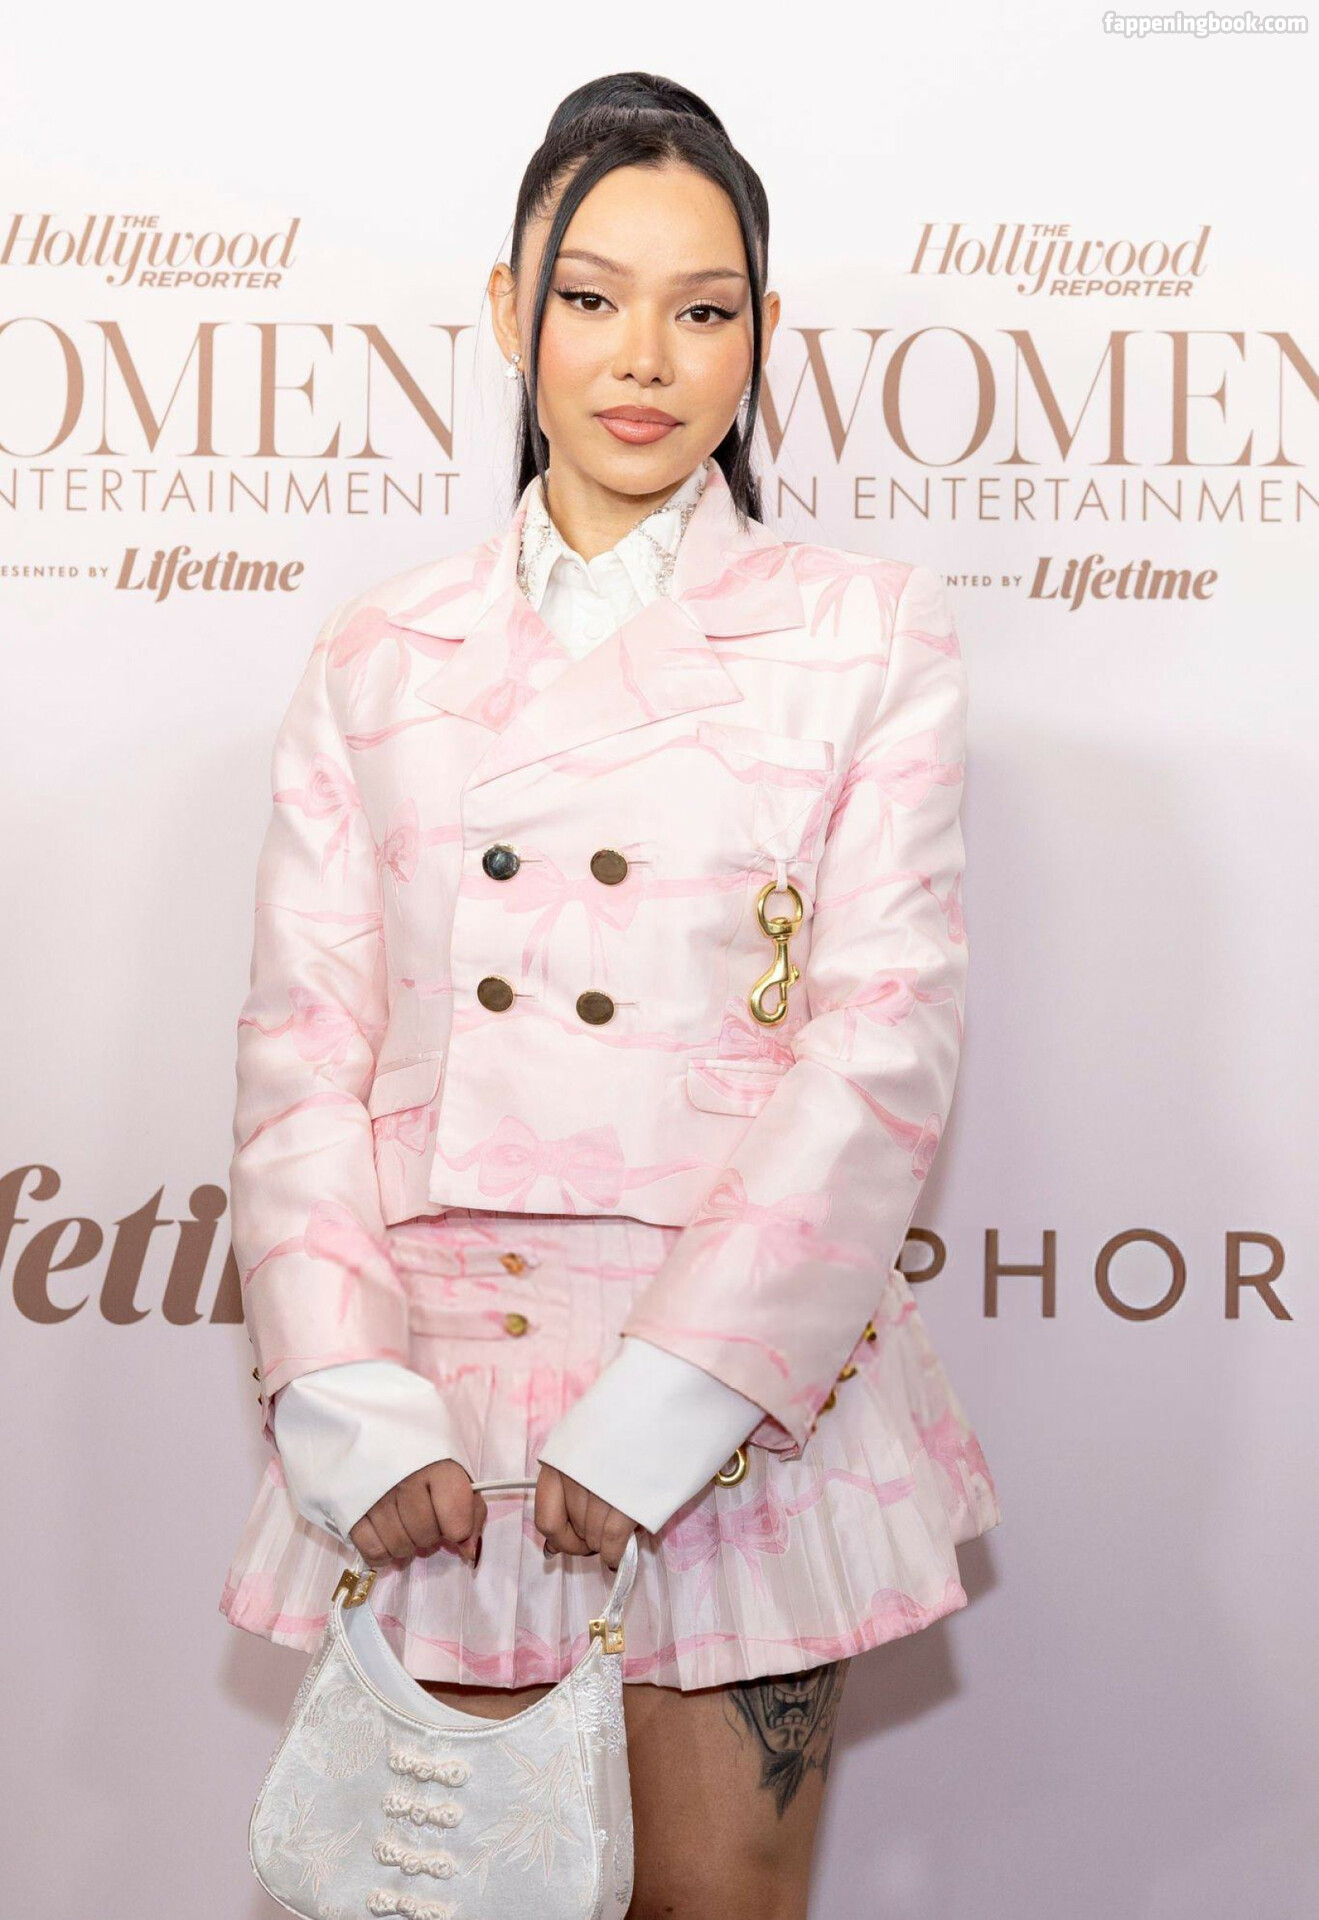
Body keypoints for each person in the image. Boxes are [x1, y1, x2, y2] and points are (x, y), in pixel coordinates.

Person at [219, 69, 1001, 1917]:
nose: (644, 357)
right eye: (591, 297)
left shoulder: (864, 634)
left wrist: (671, 1402)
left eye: (702, 309)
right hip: (446, 1409)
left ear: (761, 334)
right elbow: (302, 1054)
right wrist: (352, 1396)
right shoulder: (377, 654)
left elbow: (880, 1047)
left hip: (730, 1390)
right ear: (512, 311)